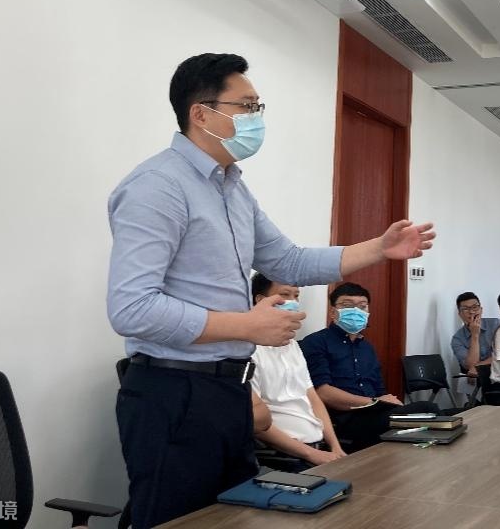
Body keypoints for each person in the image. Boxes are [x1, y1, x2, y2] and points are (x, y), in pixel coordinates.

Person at [108, 53, 435, 527]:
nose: (256, 118)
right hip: (174, 392)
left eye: (258, 107)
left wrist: (378, 249)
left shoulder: (233, 189)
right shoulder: (157, 186)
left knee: (232, 517)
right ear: (201, 114)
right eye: (246, 106)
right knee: (176, 519)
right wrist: (246, 325)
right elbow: (132, 309)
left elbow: (289, 261)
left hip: (230, 390)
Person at [301, 282, 439, 450]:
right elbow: (323, 393)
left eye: (362, 306)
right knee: (427, 410)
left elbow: (379, 390)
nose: (356, 311)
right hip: (344, 418)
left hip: (375, 413)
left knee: (440, 414)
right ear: (332, 312)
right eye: (347, 305)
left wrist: (387, 402)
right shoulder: (316, 342)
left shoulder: (367, 348)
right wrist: (374, 402)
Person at [249, 274, 347, 471]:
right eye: (285, 295)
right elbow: (256, 421)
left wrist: (335, 447)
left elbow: (312, 397)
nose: (292, 302)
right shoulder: (248, 349)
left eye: (296, 296)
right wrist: (312, 455)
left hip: (318, 448)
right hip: (284, 457)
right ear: (260, 300)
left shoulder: (292, 345)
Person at [450, 291, 500, 375]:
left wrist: (478, 366)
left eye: (475, 307)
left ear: (481, 310)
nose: (471, 312)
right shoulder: (457, 339)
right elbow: (470, 366)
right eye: (466, 309)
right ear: (460, 314)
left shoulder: (496, 324)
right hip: (479, 378)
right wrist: (475, 335)